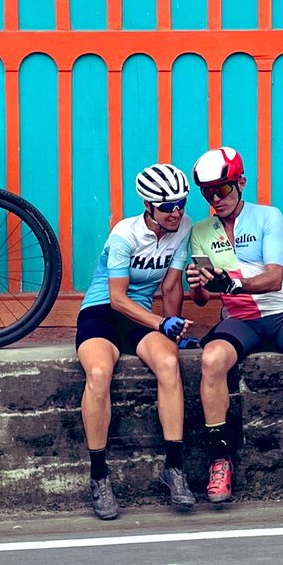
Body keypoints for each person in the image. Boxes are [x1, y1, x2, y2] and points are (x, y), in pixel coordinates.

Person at [185, 147, 283, 508]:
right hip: (240, 320)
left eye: (222, 190)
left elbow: (273, 279)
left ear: (241, 183)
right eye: (207, 193)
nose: (215, 199)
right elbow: (203, 299)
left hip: (281, 313)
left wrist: (231, 283)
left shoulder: (268, 216)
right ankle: (219, 460)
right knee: (211, 361)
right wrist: (198, 283)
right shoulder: (201, 232)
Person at [76, 163, 198, 520]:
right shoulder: (123, 234)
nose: (176, 212)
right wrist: (161, 322)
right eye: (167, 207)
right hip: (103, 312)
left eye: (181, 204)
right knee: (99, 373)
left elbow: (172, 285)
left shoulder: (183, 227)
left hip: (142, 317)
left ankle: (173, 469)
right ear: (148, 207)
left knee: (169, 363)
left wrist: (175, 332)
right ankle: (99, 476)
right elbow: (116, 298)